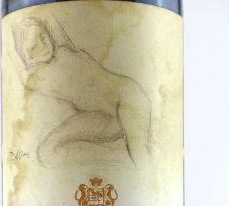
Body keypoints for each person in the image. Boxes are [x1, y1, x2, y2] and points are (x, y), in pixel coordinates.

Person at [11, 16, 152, 168]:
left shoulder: (65, 50)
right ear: (27, 54)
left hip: (125, 97)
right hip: (102, 117)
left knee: (139, 153)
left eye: (42, 36)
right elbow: (11, 58)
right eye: (34, 46)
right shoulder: (34, 79)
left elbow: (50, 18)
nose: (43, 45)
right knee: (46, 151)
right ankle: (107, 166)